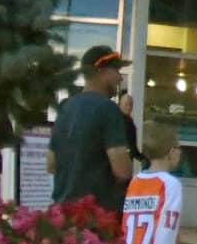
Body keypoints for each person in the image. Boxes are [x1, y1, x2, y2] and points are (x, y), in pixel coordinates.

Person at [48, 46, 135, 215]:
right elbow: (122, 171)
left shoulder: (65, 108)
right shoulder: (108, 109)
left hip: (62, 215)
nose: (120, 77)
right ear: (100, 71)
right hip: (96, 219)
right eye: (116, 70)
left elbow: (50, 164)